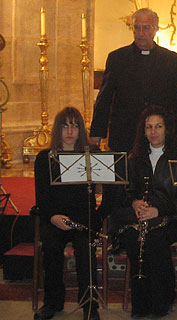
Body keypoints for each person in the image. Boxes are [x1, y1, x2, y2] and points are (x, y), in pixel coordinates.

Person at [112, 105, 177, 318]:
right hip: (141, 217)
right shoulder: (134, 158)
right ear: (143, 131)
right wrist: (135, 203)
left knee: (154, 241)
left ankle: (161, 299)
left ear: (167, 129)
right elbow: (126, 193)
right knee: (132, 237)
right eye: (149, 127)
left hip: (172, 219)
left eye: (158, 126)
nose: (153, 132)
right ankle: (140, 302)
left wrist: (159, 210)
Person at [34, 107, 101, 320]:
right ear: (57, 130)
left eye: (74, 126)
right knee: (51, 246)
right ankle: (52, 301)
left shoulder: (90, 157)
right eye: (65, 126)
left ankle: (90, 305)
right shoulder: (44, 158)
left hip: (81, 219)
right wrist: (53, 216)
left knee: (85, 247)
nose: (70, 131)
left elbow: (98, 193)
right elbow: (41, 196)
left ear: (80, 129)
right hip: (55, 218)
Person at [90, 8, 177, 153]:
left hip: (160, 136)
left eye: (146, 28)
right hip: (125, 134)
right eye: (137, 28)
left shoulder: (171, 60)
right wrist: (97, 132)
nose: (141, 33)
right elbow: (105, 97)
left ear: (156, 29)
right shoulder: (117, 58)